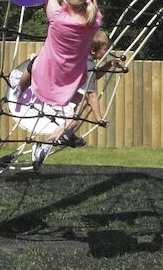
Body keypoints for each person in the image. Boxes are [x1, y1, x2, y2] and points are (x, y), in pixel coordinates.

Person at [32, 30, 124, 169]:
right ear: (93, 50)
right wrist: (99, 118)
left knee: (81, 104)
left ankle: (66, 135)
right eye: (105, 49)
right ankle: (44, 145)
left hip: (51, 85)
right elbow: (91, 95)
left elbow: (94, 76)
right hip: (52, 90)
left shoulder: (83, 59)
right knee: (75, 119)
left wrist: (109, 64)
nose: (107, 53)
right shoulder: (88, 65)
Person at [16, 0, 103, 107]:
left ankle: (19, 88)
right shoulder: (94, 21)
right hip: (71, 75)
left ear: (66, 2)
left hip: (46, 71)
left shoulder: (58, 19)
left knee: (33, 64)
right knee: (58, 84)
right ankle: (69, 101)